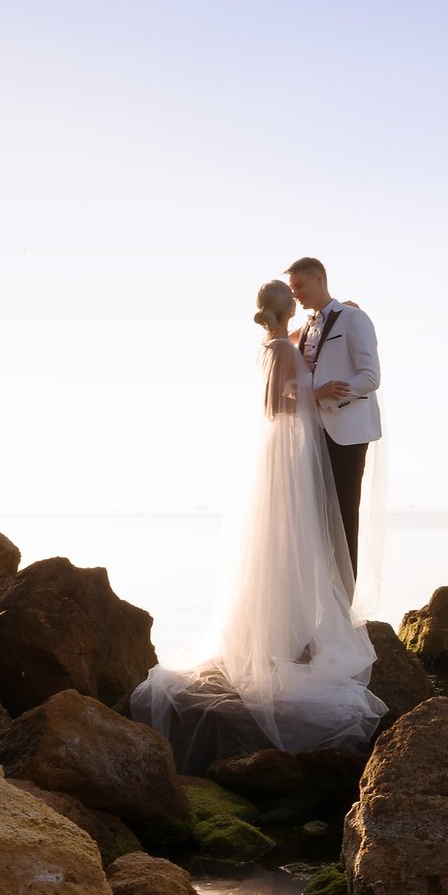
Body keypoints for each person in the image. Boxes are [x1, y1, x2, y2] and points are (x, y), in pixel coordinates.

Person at [127, 280, 387, 773]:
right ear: (288, 309)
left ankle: (283, 630)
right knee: (290, 542)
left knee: (283, 546)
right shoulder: (284, 347)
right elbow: (276, 406)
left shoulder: (275, 345)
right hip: (287, 455)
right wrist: (318, 391)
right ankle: (288, 637)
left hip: (280, 454)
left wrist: (312, 388)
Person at [284, 257, 381, 569]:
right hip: (310, 434)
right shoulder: (305, 329)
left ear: (319, 279)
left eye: (299, 285)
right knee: (314, 521)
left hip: (347, 434)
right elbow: (278, 351)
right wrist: (310, 396)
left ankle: (343, 608)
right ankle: (322, 598)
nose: (295, 293)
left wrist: (328, 399)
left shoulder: (354, 318)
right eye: (291, 288)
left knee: (343, 519)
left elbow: (370, 377)